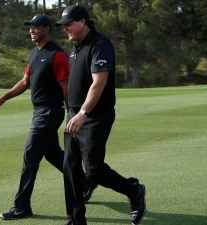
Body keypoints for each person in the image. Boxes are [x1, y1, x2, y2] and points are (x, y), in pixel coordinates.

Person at [0, 14, 97, 220]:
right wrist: (4, 97)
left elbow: (66, 86)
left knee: (30, 157)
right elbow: (25, 81)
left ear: (47, 29)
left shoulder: (57, 55)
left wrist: (71, 111)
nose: (32, 30)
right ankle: (85, 181)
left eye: (36, 27)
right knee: (53, 154)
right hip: (39, 112)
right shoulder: (33, 54)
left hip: (50, 112)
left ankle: (21, 206)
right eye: (30, 27)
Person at [55, 4, 146, 225]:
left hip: (94, 116)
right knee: (71, 168)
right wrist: (71, 110)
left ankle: (134, 190)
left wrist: (83, 113)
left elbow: (100, 82)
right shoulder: (76, 46)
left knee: (94, 170)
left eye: (69, 24)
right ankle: (76, 221)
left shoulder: (100, 44)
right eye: (63, 25)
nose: (65, 28)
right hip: (75, 115)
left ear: (82, 22)